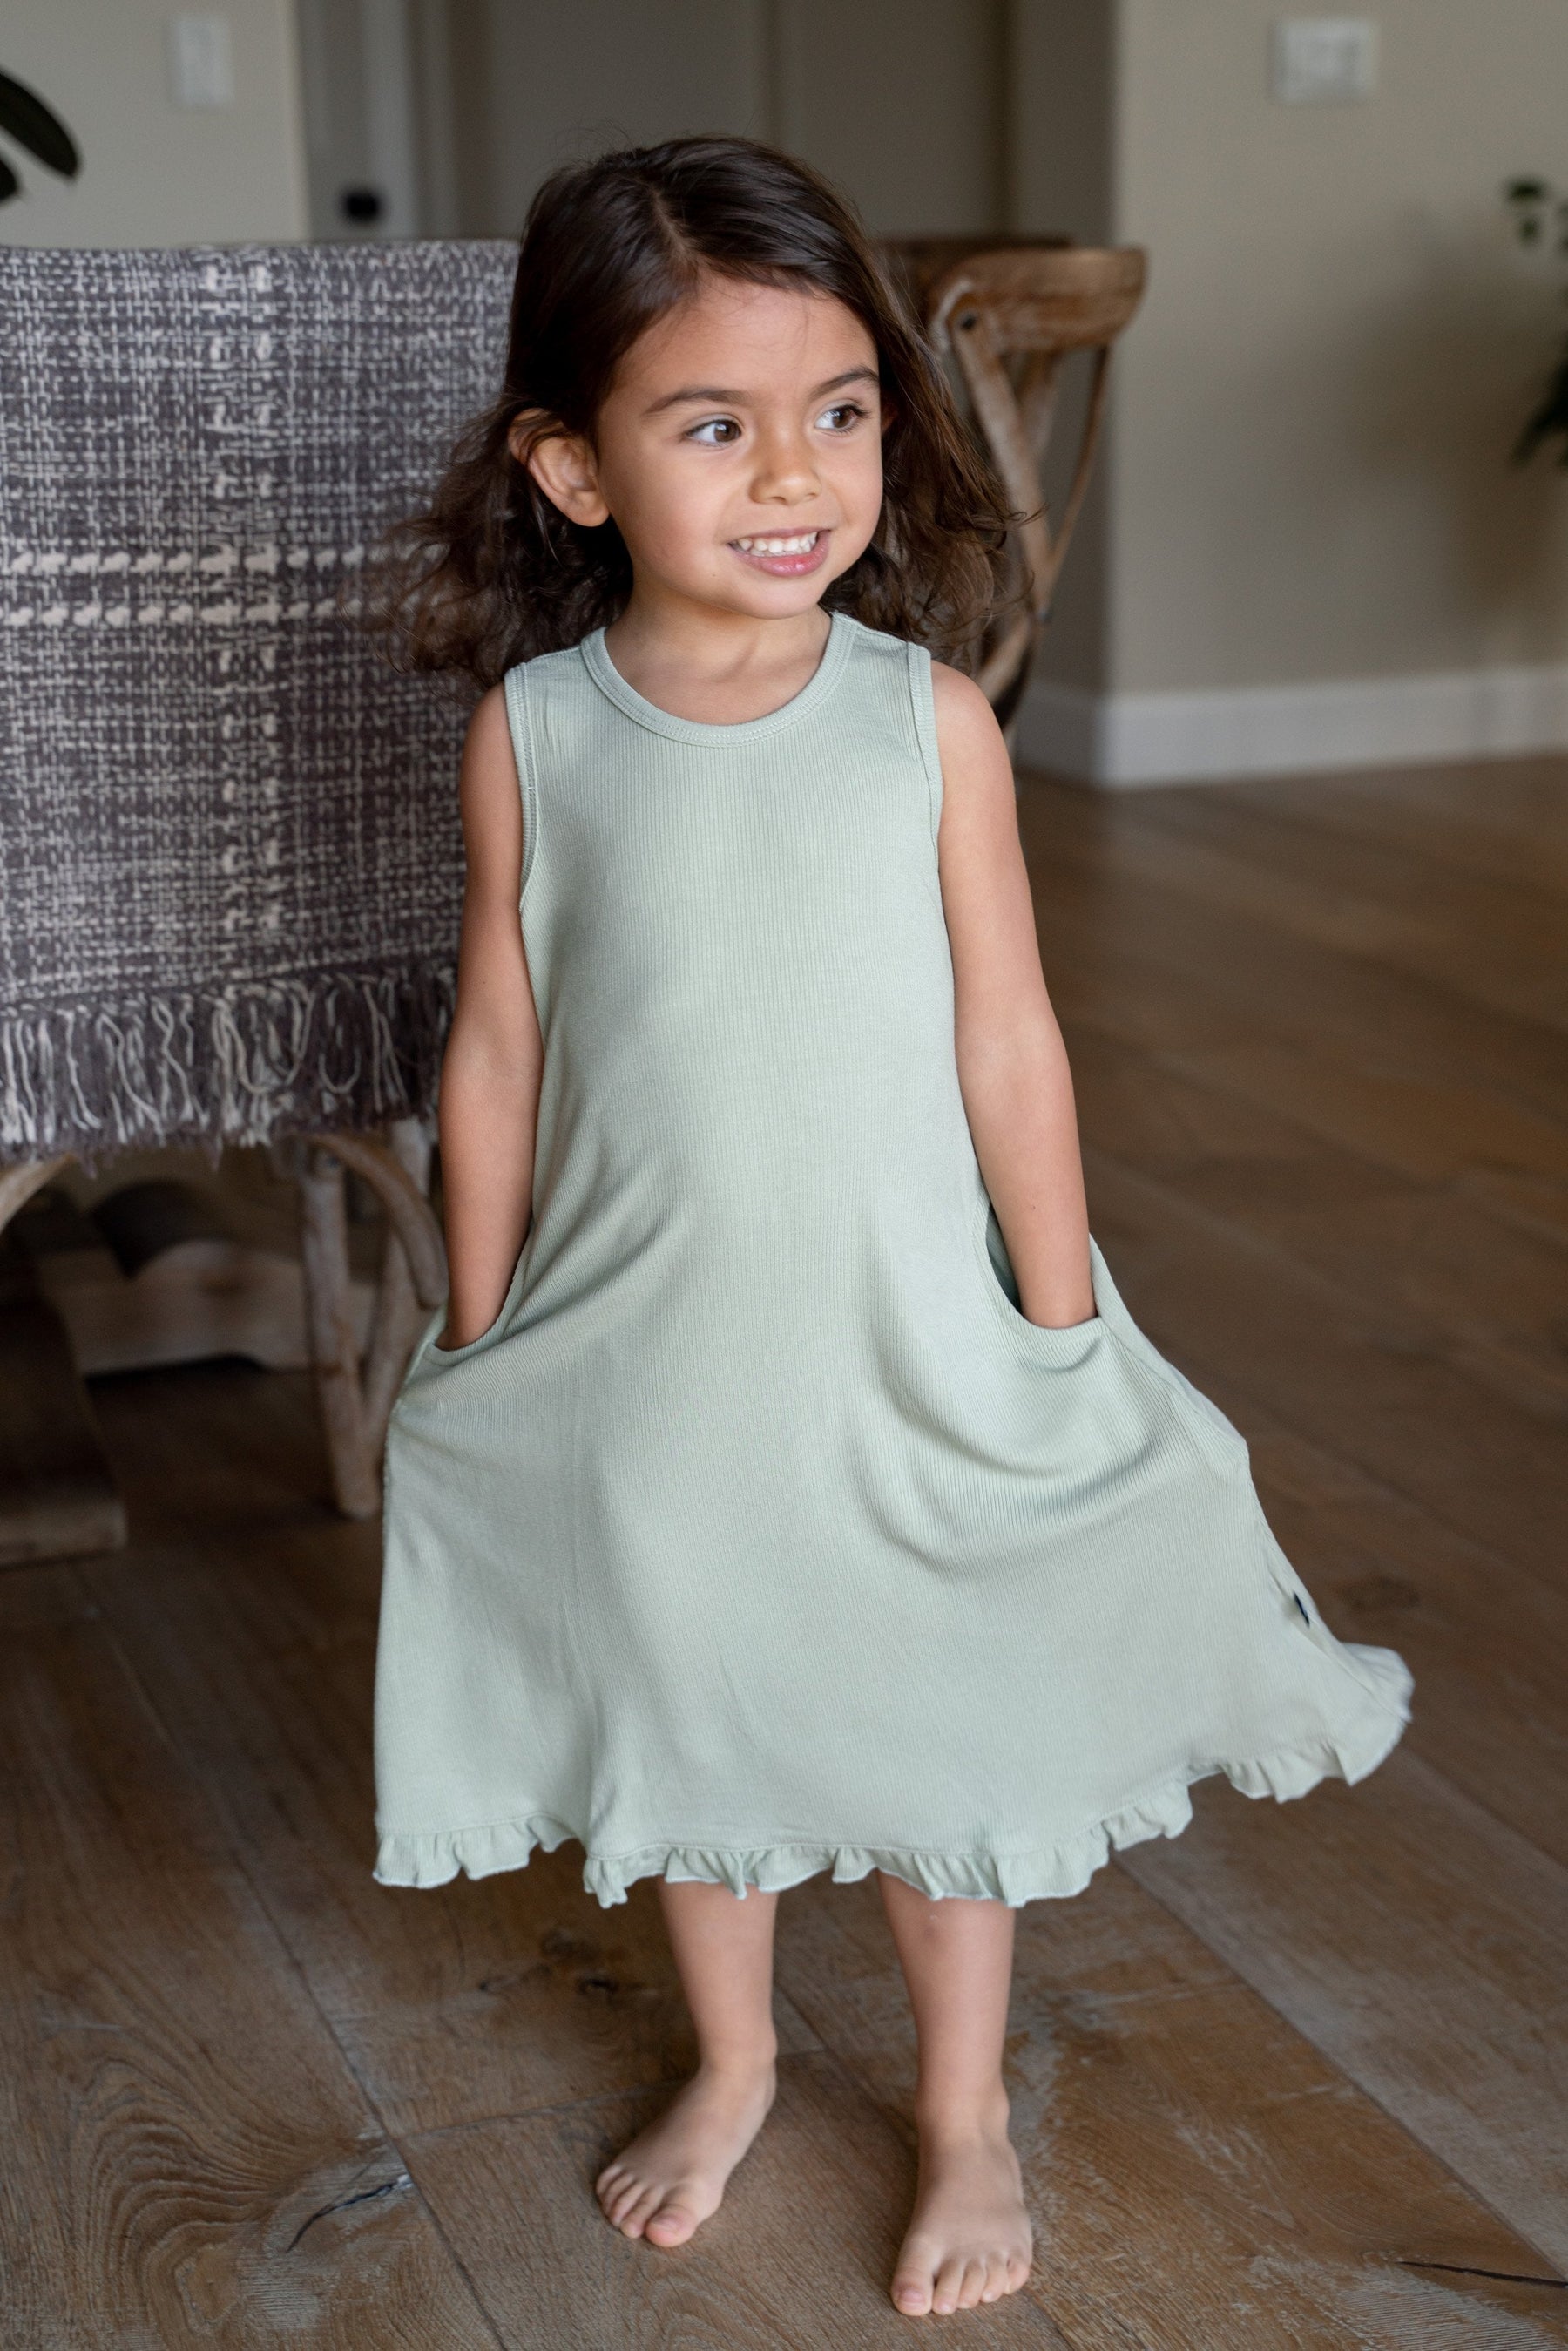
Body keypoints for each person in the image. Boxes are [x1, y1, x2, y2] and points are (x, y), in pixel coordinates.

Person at [369, 135, 1410, 2321]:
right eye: (713, 424)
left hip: (914, 1322)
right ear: (573, 468)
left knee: (948, 1702)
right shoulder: (538, 737)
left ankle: (960, 2108)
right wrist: (479, 1324)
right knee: (692, 1690)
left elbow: (1012, 1039)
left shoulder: (922, 727)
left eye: (837, 409)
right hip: (651, 1337)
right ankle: (737, 2055)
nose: (795, 473)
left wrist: (1058, 1311)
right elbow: (496, 1048)